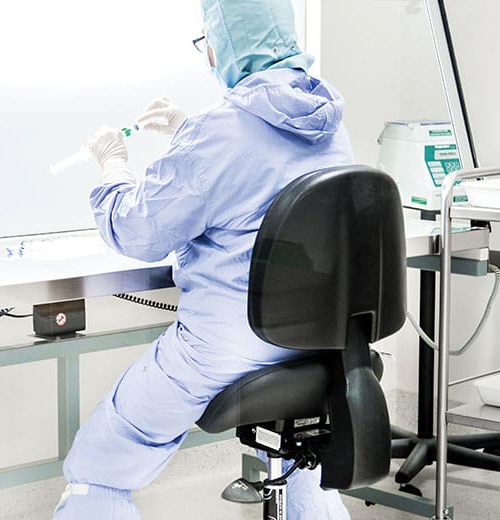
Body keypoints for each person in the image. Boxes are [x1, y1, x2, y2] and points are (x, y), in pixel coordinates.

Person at [53, 0, 354, 518]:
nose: (208, 54)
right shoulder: (328, 119)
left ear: (230, 42)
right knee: (302, 466)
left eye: (208, 40)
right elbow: (261, 169)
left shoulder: (220, 130)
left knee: (96, 470)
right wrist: (186, 130)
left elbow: (136, 230)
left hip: (225, 349)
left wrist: (112, 167)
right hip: (316, 340)